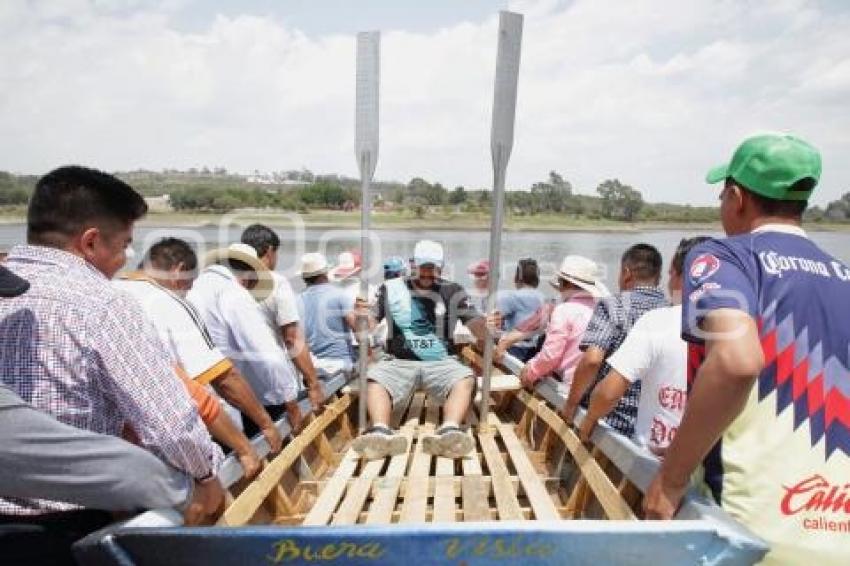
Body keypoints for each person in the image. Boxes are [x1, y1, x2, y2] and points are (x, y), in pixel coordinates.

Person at [0, 166, 224, 561]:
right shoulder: (101, 303)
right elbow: (171, 426)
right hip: (64, 530)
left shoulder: (7, 284)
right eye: (123, 244)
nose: (125, 259)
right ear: (90, 243)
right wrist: (204, 477)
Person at [644, 134, 848, 565]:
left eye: (722, 194)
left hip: (746, 532)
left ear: (736, 197)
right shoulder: (843, 274)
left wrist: (672, 477)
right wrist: (689, 445)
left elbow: (737, 363)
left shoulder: (725, 258)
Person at [116, 238, 286, 465]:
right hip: (162, 445)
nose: (189, 291)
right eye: (189, 283)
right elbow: (224, 379)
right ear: (178, 271)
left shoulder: (111, 290)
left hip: (115, 444)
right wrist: (264, 426)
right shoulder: (167, 302)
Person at [352, 240, 487, 460]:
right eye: (422, 266)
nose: (426, 273)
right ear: (413, 265)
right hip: (399, 361)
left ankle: (449, 430)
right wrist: (360, 315)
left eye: (432, 267)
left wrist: (488, 325)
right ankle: (380, 432)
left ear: (440, 267)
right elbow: (368, 326)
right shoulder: (391, 288)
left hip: (442, 362)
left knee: (466, 378)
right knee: (374, 378)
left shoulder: (453, 290)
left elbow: (478, 330)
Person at [579, 237, 709, 453]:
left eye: (671, 275)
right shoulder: (742, 327)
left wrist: (588, 420)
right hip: (701, 461)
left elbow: (607, 389)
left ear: (679, 277)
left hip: (649, 456)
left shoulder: (657, 319)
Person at [189, 243, 305, 437]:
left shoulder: (191, 288)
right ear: (248, 277)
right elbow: (268, 356)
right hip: (228, 402)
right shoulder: (233, 292)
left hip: (198, 403)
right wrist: (291, 404)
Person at [562, 243, 667, 437]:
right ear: (659, 277)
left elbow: (592, 360)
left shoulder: (613, 305)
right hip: (648, 427)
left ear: (626, 273)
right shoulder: (669, 311)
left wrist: (570, 404)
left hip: (607, 419)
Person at [241, 224, 323, 411]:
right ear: (270, 251)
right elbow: (292, 338)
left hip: (244, 390)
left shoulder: (234, 283)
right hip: (274, 387)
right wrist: (313, 383)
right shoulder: (276, 282)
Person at [499, 256, 607, 392]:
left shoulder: (564, 310)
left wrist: (530, 370)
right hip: (595, 387)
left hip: (569, 385)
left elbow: (550, 356)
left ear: (566, 283)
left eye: (561, 284)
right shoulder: (601, 309)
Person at [296, 252, 358, 377]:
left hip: (313, 364)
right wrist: (368, 352)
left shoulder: (297, 300)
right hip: (341, 363)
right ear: (325, 273)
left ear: (304, 277)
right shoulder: (339, 294)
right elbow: (356, 327)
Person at [494, 258, 545, 361]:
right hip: (534, 350)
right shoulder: (542, 298)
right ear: (537, 280)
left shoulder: (511, 297)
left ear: (516, 278)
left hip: (514, 348)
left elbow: (494, 321)